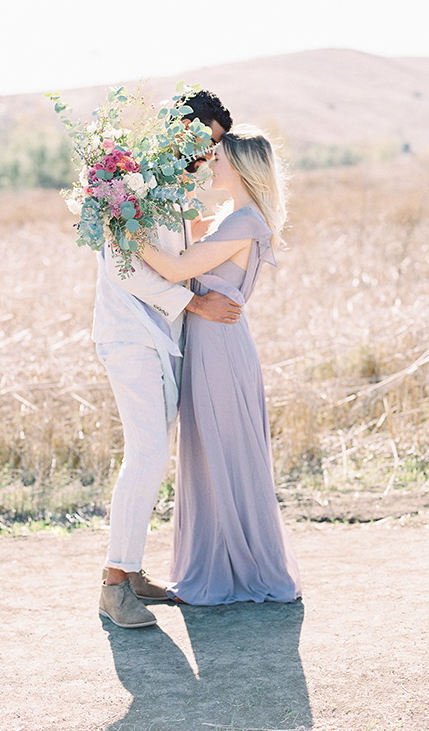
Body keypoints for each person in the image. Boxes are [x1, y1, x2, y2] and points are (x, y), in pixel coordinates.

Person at [139, 127, 302, 605]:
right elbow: (194, 269)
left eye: (221, 157)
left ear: (242, 167)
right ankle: (221, 561)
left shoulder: (245, 221)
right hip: (214, 343)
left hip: (221, 348)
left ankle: (239, 568)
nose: (212, 162)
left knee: (224, 449)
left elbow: (176, 270)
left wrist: (126, 233)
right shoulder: (234, 218)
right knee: (213, 450)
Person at [96, 89, 240, 628]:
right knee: (148, 453)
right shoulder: (132, 182)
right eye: (206, 142)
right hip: (131, 337)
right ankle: (114, 586)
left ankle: (130, 573)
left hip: (162, 338)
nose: (208, 155)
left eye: (215, 147)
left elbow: (170, 250)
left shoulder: (171, 189)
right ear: (182, 131)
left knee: (151, 454)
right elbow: (124, 269)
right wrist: (195, 302)